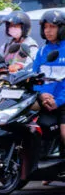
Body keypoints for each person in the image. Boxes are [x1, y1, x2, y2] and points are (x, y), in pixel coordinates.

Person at [33, 9, 65, 151]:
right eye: (45, 27)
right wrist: (40, 94)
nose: (48, 31)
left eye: (52, 27)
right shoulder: (41, 52)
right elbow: (33, 76)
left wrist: (58, 101)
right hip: (44, 100)